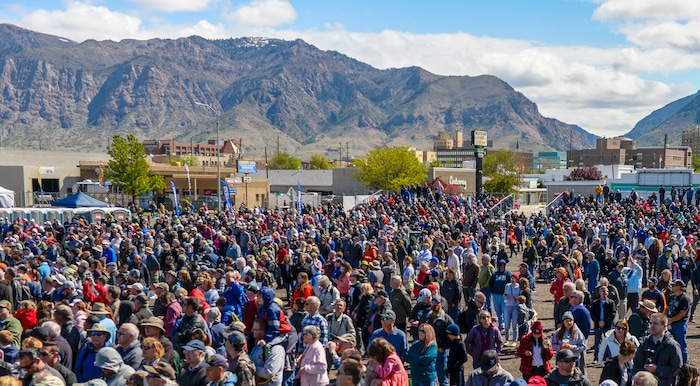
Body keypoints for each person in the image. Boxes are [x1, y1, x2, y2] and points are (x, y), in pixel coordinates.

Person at [632, 313, 682, 386]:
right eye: (650, 323)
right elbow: (636, 363)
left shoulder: (672, 346)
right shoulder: (644, 343)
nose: (651, 326)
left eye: (655, 323)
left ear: (664, 326)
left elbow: (677, 370)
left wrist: (657, 369)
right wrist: (634, 377)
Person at [250, 318, 284, 386]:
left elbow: (269, 372)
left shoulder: (276, 349)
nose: (252, 331)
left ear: (262, 332)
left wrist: (250, 368)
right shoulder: (256, 346)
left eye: (255, 329)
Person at [666, 279, 690, 363]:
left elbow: (682, 313)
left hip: (679, 324)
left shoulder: (685, 298)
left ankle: (684, 363)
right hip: (670, 323)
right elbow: (667, 308)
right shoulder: (672, 296)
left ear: (679, 287)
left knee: (681, 344)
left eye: (674, 285)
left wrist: (671, 320)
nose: (672, 287)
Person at [591, 286, 616, 363]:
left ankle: (608, 357)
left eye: (606, 291)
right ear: (599, 292)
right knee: (597, 341)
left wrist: (605, 322)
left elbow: (613, 313)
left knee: (609, 341)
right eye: (603, 291)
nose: (604, 293)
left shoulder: (611, 303)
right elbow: (592, 314)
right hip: (598, 325)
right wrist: (598, 321)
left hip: (607, 325)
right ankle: (596, 357)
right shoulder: (595, 303)